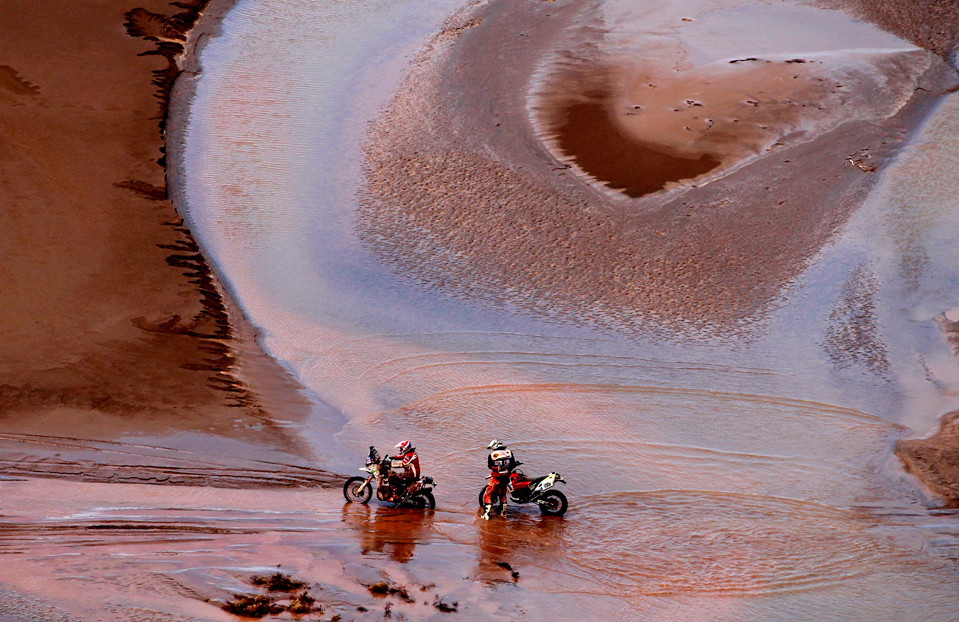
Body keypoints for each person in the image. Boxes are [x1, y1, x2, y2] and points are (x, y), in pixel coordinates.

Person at [482, 439, 518, 520]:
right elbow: (513, 464)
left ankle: (486, 515)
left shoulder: (492, 455)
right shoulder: (509, 452)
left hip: (496, 477)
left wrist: (497, 468)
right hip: (506, 477)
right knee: (503, 494)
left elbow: (490, 466)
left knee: (487, 494)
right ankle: (503, 513)